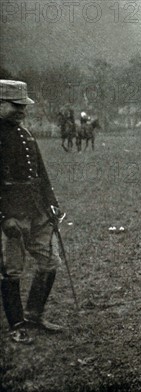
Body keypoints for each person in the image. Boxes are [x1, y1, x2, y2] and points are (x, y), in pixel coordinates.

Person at [0, 79, 66, 344]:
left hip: (37, 210)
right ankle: (16, 324)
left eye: (23, 106)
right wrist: (3, 217)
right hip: (11, 214)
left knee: (50, 261)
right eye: (15, 106)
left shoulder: (25, 134)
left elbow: (41, 174)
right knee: (11, 270)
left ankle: (34, 314)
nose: (21, 111)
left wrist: (52, 203)